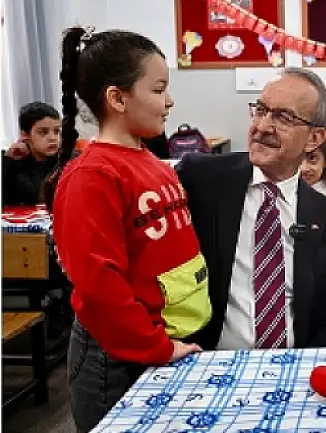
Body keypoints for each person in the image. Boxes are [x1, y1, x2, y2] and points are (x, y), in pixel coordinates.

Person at [48, 29, 207, 432]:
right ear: (117, 98)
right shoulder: (92, 175)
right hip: (118, 356)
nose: (169, 101)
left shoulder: (152, 162)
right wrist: (155, 346)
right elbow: (99, 284)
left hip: (162, 343)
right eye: (158, 89)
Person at [175, 68, 326, 352]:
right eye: (260, 110)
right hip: (205, 364)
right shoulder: (201, 180)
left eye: (283, 117)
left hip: (292, 368)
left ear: (315, 138)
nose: (262, 126)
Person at [3, 102, 62, 206]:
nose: (52, 138)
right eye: (43, 132)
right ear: (25, 135)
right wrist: (6, 161)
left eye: (56, 131)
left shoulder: (68, 160)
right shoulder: (12, 162)